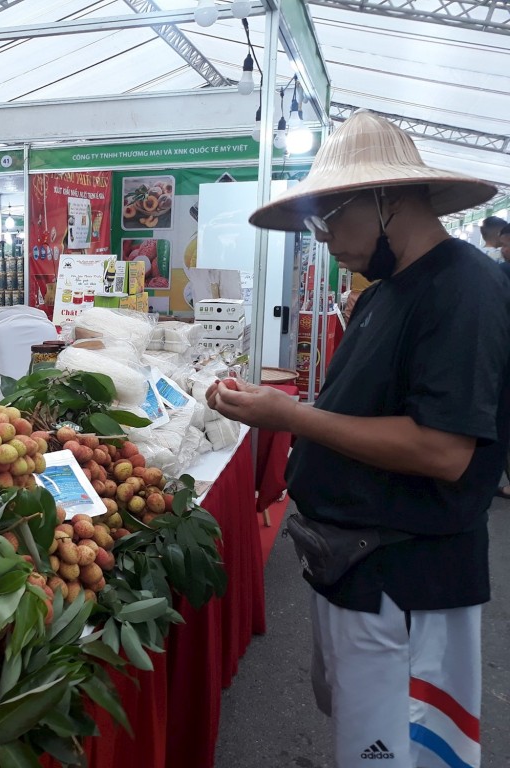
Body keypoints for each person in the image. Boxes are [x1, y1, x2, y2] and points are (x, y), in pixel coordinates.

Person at [207, 110, 510, 768]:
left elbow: (444, 451)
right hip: (351, 567)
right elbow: (362, 408)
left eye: (328, 219)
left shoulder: (466, 289)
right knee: (358, 734)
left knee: (394, 748)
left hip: (407, 580)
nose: (323, 239)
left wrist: (290, 417)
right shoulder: (383, 293)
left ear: (385, 199)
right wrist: (279, 407)